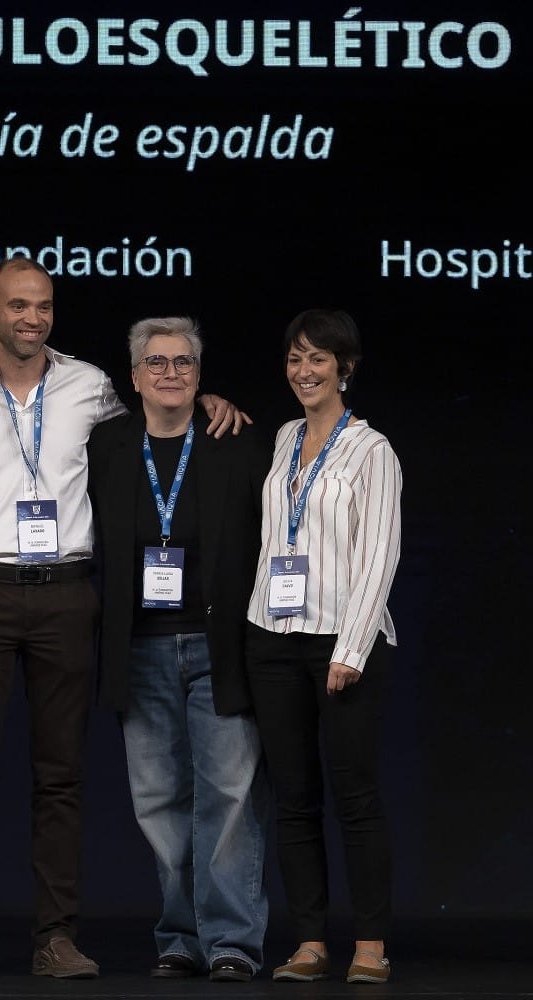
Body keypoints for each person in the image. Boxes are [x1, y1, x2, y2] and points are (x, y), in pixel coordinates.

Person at [0, 256, 244, 981]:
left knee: (61, 775)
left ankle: (56, 938)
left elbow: (151, 439)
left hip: (67, 594)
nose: (32, 318)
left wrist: (205, 400)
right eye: (18, 305)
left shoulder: (91, 386)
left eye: (43, 305)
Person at [87, 317, 272, 981]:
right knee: (158, 801)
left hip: (219, 646)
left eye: (184, 362)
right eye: (157, 362)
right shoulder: (107, 445)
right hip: (139, 648)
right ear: (134, 377)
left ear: (200, 375)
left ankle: (232, 942)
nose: (171, 372)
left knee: (229, 797)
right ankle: (180, 937)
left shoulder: (235, 441)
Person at [245, 309, 402, 985]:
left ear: (345, 368)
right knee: (294, 798)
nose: (304, 371)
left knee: (355, 796)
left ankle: (370, 945)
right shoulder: (284, 437)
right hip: (274, 637)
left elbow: (379, 555)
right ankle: (309, 941)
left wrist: (352, 648)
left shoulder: (372, 450)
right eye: (294, 358)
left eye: (318, 359)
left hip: (343, 642)